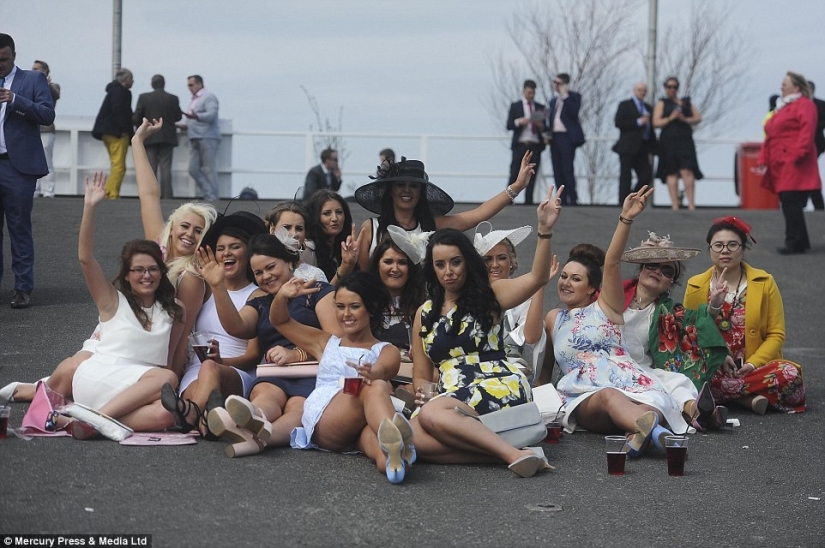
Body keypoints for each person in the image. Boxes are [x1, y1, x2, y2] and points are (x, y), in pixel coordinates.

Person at [407, 182, 561, 478]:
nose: (448, 271)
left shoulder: (491, 295)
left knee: (429, 418)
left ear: (467, 263)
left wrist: (545, 229)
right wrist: (423, 391)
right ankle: (512, 454)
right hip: (452, 395)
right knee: (413, 437)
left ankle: (509, 454)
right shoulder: (423, 314)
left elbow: (539, 277)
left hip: (497, 384)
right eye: (440, 265)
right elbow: (421, 374)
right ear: (432, 270)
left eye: (455, 262)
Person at [546, 187, 688, 458]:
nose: (565, 282)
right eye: (563, 276)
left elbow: (611, 263)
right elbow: (545, 370)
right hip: (586, 393)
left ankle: (637, 436)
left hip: (633, 381)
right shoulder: (553, 318)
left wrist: (626, 218)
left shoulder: (606, 308)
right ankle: (662, 438)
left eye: (576, 279)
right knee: (611, 396)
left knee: (653, 405)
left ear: (592, 288)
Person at [66, 172, 185, 436]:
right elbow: (86, 258)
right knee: (167, 379)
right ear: (127, 275)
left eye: (153, 269)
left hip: (138, 386)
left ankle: (85, 424)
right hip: (99, 376)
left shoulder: (176, 308)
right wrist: (90, 207)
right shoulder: (112, 301)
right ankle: (95, 419)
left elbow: (169, 359)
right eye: (138, 270)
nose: (146, 275)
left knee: (165, 413)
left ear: (162, 272)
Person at [199, 233, 340, 457]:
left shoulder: (317, 291)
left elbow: (336, 341)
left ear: (289, 261)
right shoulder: (261, 301)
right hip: (273, 371)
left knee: (297, 407)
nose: (266, 276)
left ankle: (258, 436)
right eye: (258, 273)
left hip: (314, 371)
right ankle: (245, 419)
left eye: (271, 267)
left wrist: (298, 354)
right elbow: (237, 327)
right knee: (265, 397)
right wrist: (218, 286)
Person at [270, 271, 413, 484]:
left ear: (371, 309)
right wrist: (282, 296)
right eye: (340, 307)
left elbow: (385, 368)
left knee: (382, 453)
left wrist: (373, 372)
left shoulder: (386, 349)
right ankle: (398, 437)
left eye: (354, 306)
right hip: (326, 419)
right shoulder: (325, 341)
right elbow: (280, 321)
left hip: (362, 424)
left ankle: (397, 458)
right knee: (371, 387)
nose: (346, 314)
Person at [683, 216, 806, 414]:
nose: (725, 250)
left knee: (789, 374)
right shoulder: (696, 285)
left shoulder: (764, 282)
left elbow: (777, 334)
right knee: (689, 374)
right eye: (718, 245)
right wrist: (713, 308)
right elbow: (690, 333)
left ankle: (725, 396)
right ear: (710, 249)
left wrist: (752, 363)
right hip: (714, 366)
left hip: (754, 369)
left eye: (732, 244)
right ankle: (747, 399)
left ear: (743, 248)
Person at [160, 211, 267, 437]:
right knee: (201, 376)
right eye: (220, 248)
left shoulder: (257, 295)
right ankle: (206, 420)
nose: (227, 252)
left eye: (235, 246)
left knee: (208, 369)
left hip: (237, 371)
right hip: (197, 369)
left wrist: (221, 361)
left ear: (248, 252)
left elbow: (254, 355)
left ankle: (192, 412)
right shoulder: (202, 287)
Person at [619, 232, 729, 431]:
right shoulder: (614, 295)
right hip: (611, 367)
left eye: (667, 270)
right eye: (652, 264)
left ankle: (697, 411)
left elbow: (695, 325)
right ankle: (706, 415)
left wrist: (714, 306)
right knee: (658, 388)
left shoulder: (668, 310)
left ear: (671, 282)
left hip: (644, 370)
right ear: (641, 269)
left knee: (676, 380)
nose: (657, 271)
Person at [355, 152, 537, 271]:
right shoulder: (371, 227)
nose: (407, 191)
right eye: (400, 185)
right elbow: (363, 277)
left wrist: (517, 187)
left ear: (421, 192)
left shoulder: (433, 225)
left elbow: (479, 214)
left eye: (414, 186)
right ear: (390, 190)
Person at [0, 34, 55, 309]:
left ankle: (22, 288)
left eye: (4, 59)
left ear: (14, 55)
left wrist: (15, 100)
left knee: (19, 227)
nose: (0, 64)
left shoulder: (32, 80)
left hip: (16, 166)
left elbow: (47, 115)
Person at [474, 223, 552, 384]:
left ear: (511, 262)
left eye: (502, 258)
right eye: (488, 259)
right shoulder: (467, 295)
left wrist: (538, 286)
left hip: (511, 368)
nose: (495, 264)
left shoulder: (525, 296)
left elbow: (531, 337)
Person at [758, 72, 822, 255]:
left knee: (789, 200)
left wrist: (798, 153)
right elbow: (770, 136)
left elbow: (807, 130)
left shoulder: (805, 105)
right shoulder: (782, 108)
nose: (781, 87)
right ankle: (800, 240)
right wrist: (763, 157)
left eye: (785, 84)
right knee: (788, 201)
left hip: (793, 161)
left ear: (797, 88)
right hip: (780, 161)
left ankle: (794, 241)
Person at [368, 227, 429, 349]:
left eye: (402, 262)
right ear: (377, 265)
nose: (395, 269)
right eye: (388, 262)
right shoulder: (364, 302)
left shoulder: (426, 304)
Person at [653, 76, 703, 211]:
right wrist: (670, 118)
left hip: (685, 139)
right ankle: (675, 204)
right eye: (669, 87)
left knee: (687, 170)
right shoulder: (662, 103)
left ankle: (691, 204)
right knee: (671, 171)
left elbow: (698, 117)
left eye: (674, 87)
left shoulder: (685, 102)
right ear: (665, 88)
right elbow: (656, 122)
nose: (672, 89)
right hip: (668, 140)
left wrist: (684, 119)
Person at [132, 74, 183, 199]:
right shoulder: (173, 98)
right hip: (167, 137)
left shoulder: (144, 97)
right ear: (164, 84)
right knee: (166, 168)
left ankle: (151, 196)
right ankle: (167, 196)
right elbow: (178, 116)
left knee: (151, 167)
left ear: (152, 84)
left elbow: (137, 116)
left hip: (150, 136)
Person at [92, 68, 134, 199]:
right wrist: (123, 129)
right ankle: (111, 193)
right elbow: (119, 111)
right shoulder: (122, 92)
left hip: (106, 132)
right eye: (131, 78)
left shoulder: (112, 91)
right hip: (117, 133)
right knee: (119, 166)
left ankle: (109, 191)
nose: (133, 81)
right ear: (125, 79)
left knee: (115, 163)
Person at [613, 82, 657, 205]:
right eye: (639, 90)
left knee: (646, 175)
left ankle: (633, 197)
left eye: (644, 90)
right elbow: (619, 122)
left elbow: (651, 130)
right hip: (627, 146)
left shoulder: (648, 108)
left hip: (643, 147)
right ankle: (623, 202)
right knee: (625, 175)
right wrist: (638, 122)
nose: (642, 92)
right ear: (634, 90)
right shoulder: (625, 105)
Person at [544, 73, 584, 206]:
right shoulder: (553, 101)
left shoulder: (574, 97)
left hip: (566, 137)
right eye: (554, 83)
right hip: (554, 137)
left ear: (565, 84)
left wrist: (565, 95)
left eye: (558, 83)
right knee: (557, 169)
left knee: (567, 169)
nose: (555, 85)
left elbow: (574, 112)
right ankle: (561, 198)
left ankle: (572, 199)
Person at [305, 189, 359, 284]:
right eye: (327, 213)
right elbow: (320, 296)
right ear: (315, 217)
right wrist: (345, 267)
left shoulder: (345, 247)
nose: (335, 218)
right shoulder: (307, 249)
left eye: (339, 212)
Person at [181, 75, 220, 202]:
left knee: (209, 168)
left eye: (191, 85)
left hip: (207, 136)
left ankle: (212, 197)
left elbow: (212, 114)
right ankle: (210, 195)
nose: (189, 88)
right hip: (195, 136)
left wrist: (196, 116)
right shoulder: (195, 100)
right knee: (193, 169)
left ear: (199, 84)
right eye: (188, 85)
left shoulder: (208, 97)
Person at [264, 201, 326, 281]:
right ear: (272, 230)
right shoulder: (258, 268)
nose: (294, 233)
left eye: (299, 229)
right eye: (287, 227)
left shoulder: (315, 274)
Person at [507, 79, 546, 205]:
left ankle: (528, 202)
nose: (531, 95)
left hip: (535, 145)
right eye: (529, 92)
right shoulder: (515, 106)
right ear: (524, 91)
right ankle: (508, 200)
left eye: (533, 93)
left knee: (532, 174)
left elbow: (546, 128)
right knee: (514, 172)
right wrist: (519, 122)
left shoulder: (540, 107)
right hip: (520, 144)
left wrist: (540, 125)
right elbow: (509, 125)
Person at [31, 60, 59, 198]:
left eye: (37, 69)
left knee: (47, 161)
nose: (33, 70)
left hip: (46, 129)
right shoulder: (30, 85)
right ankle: (35, 190)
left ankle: (48, 191)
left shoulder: (53, 86)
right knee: (32, 160)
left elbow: (56, 94)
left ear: (46, 71)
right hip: (32, 128)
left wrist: (46, 84)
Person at [806, 80, 825, 210]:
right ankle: (816, 203)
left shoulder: (821, 104)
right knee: (807, 173)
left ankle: (816, 203)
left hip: (816, 143)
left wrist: (811, 127)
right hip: (803, 143)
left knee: (808, 171)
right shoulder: (798, 105)